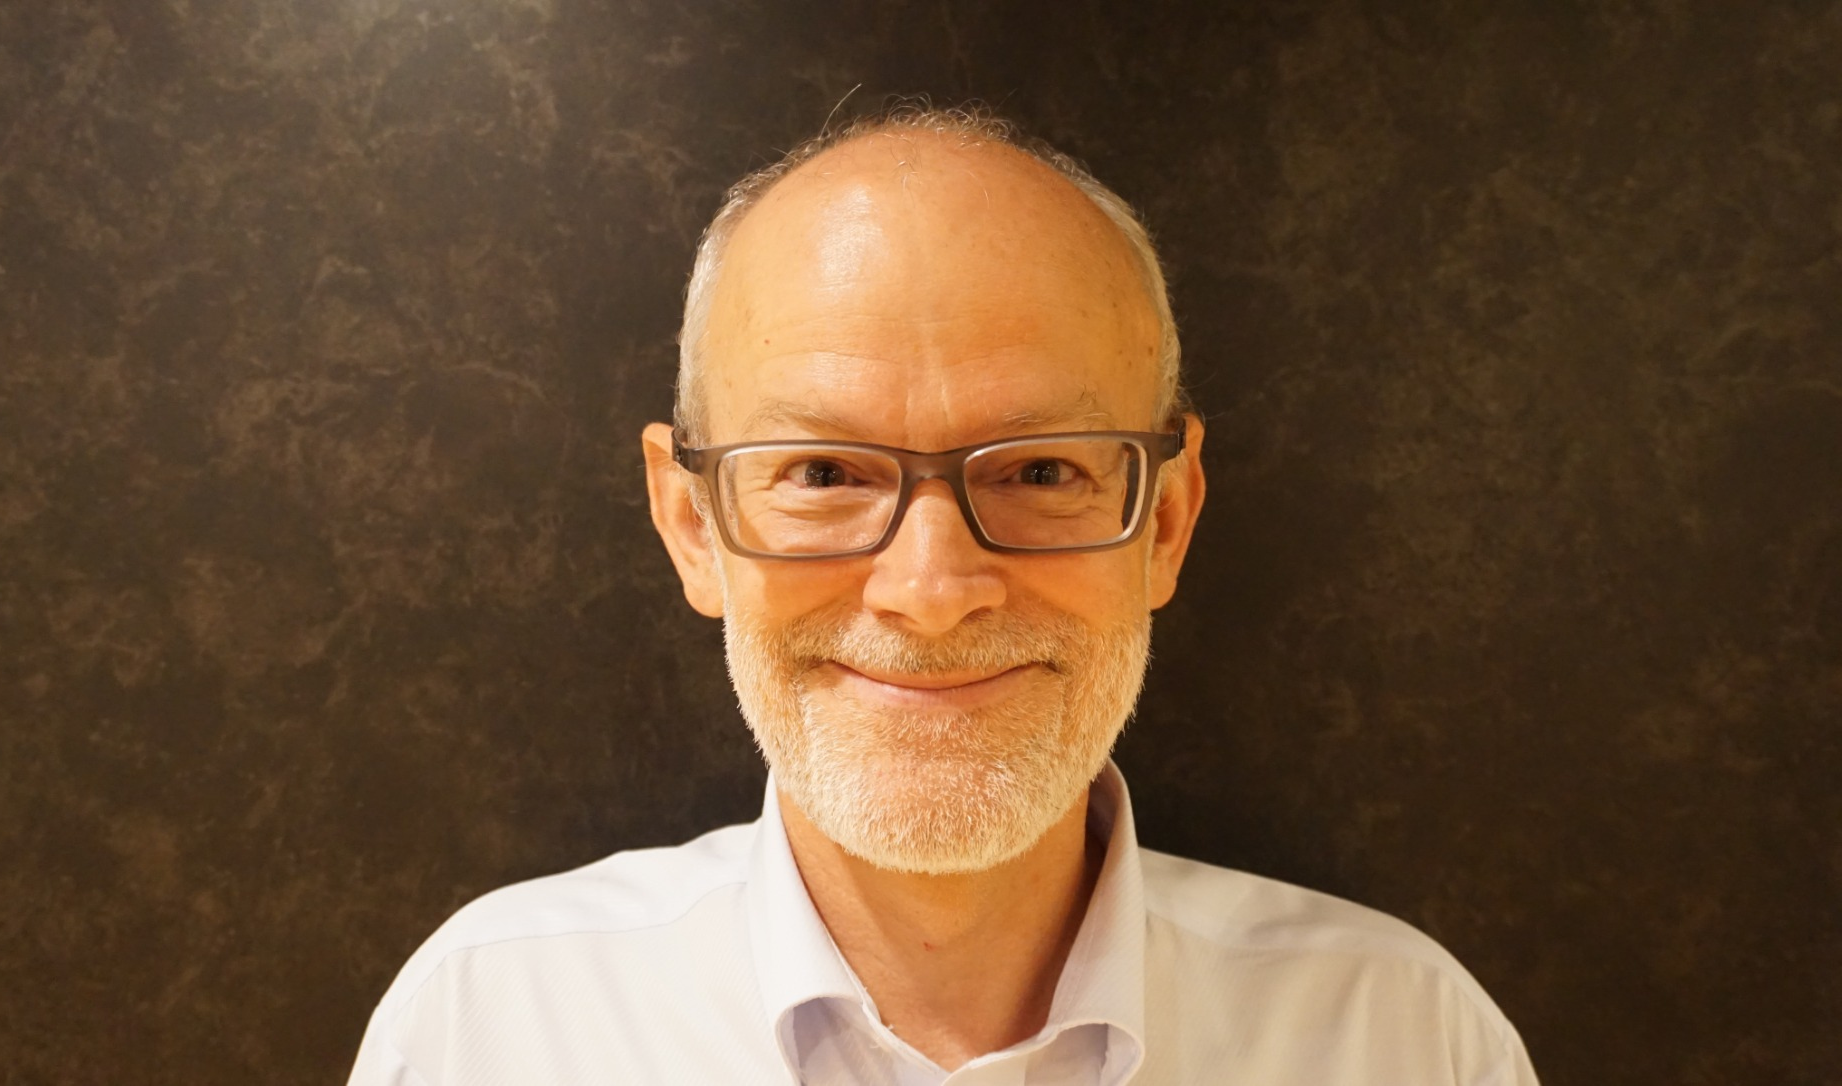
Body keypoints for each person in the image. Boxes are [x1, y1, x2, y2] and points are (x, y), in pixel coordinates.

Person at [346, 105, 1540, 1085]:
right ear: (693, 526)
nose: (929, 590)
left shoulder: (1409, 1044)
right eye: (823, 474)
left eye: (1040, 472)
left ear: (1166, 523)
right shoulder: (483, 1032)